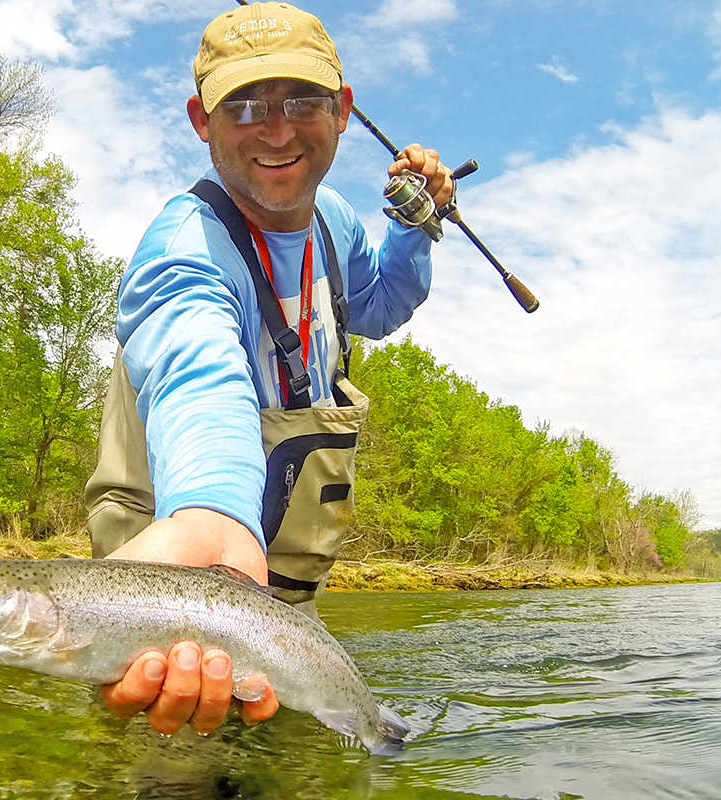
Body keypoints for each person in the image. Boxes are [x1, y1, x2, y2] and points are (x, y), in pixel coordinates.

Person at [83, 1, 452, 738]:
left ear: (342, 111)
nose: (277, 129)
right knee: (174, 765)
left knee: (303, 764)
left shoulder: (336, 221)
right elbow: (200, 380)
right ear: (202, 120)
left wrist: (412, 230)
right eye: (246, 104)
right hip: (175, 565)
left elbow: (377, 307)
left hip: (278, 590)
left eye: (303, 101)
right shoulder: (182, 250)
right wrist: (216, 515)